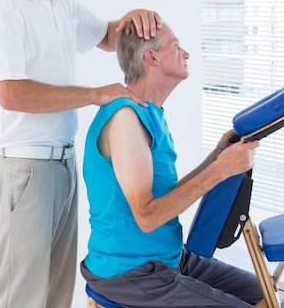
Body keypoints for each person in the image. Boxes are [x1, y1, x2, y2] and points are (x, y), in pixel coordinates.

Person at [0, 0, 162, 308]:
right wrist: (95, 94)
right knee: (18, 298)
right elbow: (10, 92)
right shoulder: (2, 4)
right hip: (23, 172)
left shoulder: (60, 0)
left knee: (57, 296)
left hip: (62, 167)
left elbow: (107, 36)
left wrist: (133, 20)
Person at [80, 21, 264, 307]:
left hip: (170, 258)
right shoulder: (124, 117)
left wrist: (218, 155)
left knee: (264, 294)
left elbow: (164, 198)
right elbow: (148, 217)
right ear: (151, 58)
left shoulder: (151, 113)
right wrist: (220, 169)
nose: (187, 54)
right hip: (131, 272)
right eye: (176, 47)